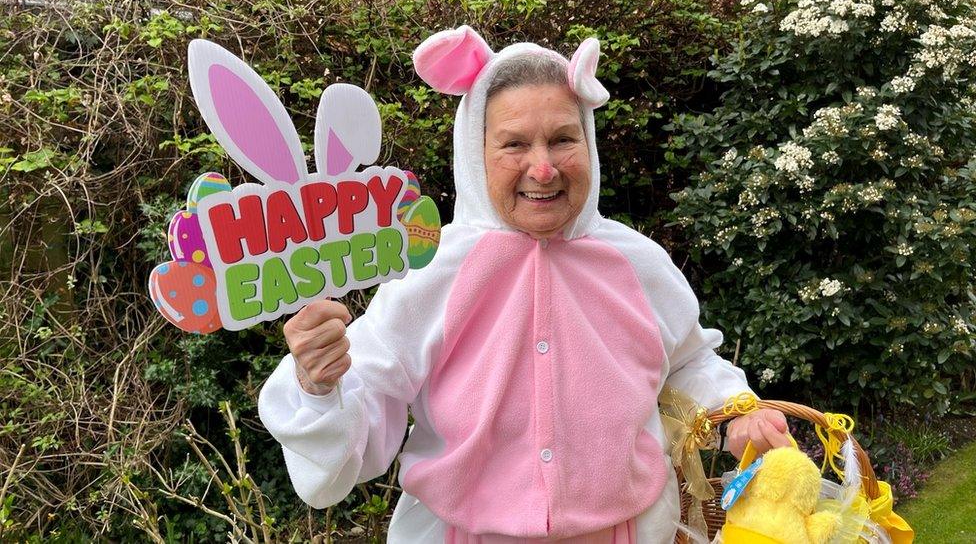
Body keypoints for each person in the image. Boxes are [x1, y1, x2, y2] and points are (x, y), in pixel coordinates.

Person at [258, 26, 792, 543]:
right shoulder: (430, 269)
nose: (542, 169)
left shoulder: (637, 262)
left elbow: (690, 362)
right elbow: (370, 394)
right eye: (514, 144)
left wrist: (738, 411)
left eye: (563, 139)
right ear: (474, 152)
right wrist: (318, 384)